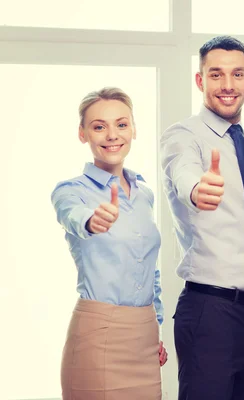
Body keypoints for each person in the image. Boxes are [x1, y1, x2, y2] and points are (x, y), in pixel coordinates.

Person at [160, 36, 244, 400]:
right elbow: (183, 173)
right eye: (216, 74)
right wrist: (197, 188)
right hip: (210, 312)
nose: (228, 85)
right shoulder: (183, 136)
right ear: (200, 81)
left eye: (237, 74)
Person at [51, 87, 167, 400]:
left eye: (121, 124)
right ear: (82, 134)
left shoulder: (143, 193)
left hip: (144, 337)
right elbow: (72, 215)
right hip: (98, 336)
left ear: (133, 128)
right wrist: (91, 221)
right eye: (99, 126)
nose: (112, 135)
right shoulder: (70, 191)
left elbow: (149, 269)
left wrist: (154, 326)